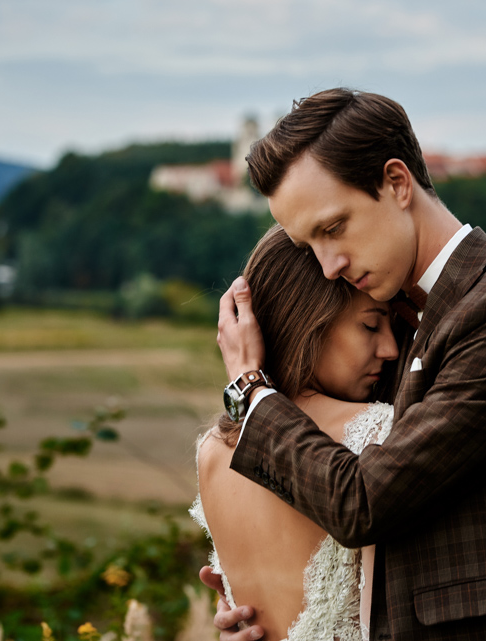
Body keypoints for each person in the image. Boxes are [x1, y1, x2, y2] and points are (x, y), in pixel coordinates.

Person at [212, 88, 486, 640]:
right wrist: (266, 602)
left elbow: (365, 502)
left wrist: (250, 389)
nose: (328, 266)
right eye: (309, 246)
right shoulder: (394, 321)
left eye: (334, 228)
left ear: (397, 183)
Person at [191, 224, 400, 640]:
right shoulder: (376, 431)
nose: (391, 349)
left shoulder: (212, 451)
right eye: (370, 326)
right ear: (307, 323)